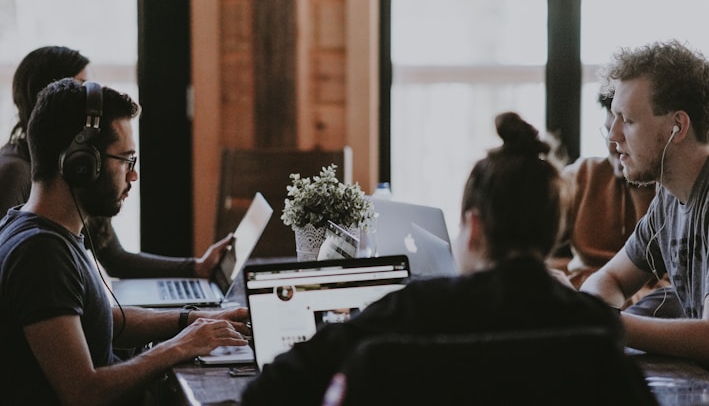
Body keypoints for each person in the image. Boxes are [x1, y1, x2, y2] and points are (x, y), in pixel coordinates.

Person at [241, 112, 624, 404]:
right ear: (553, 230)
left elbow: (268, 390)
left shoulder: (413, 310)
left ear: (473, 229)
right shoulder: (595, 326)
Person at [0, 78, 251, 405]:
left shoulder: (39, 228)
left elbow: (106, 318)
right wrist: (179, 347)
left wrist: (192, 320)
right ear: (80, 164)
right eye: (127, 160)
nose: (133, 176)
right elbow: (83, 393)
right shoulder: (41, 254)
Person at [0, 45, 231, 280]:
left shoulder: (86, 169)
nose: (94, 102)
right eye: (81, 87)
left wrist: (197, 267)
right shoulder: (16, 172)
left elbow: (116, 259)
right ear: (51, 95)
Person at [579, 39, 709, 365]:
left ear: (677, 127)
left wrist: (605, 323)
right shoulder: (668, 197)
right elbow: (609, 279)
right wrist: (593, 314)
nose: (613, 137)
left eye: (629, 120)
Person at [551, 89, 683, 318]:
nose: (612, 142)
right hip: (593, 293)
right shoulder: (582, 175)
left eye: (627, 127)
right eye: (608, 130)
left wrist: (604, 316)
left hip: (647, 304)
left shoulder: (671, 194)